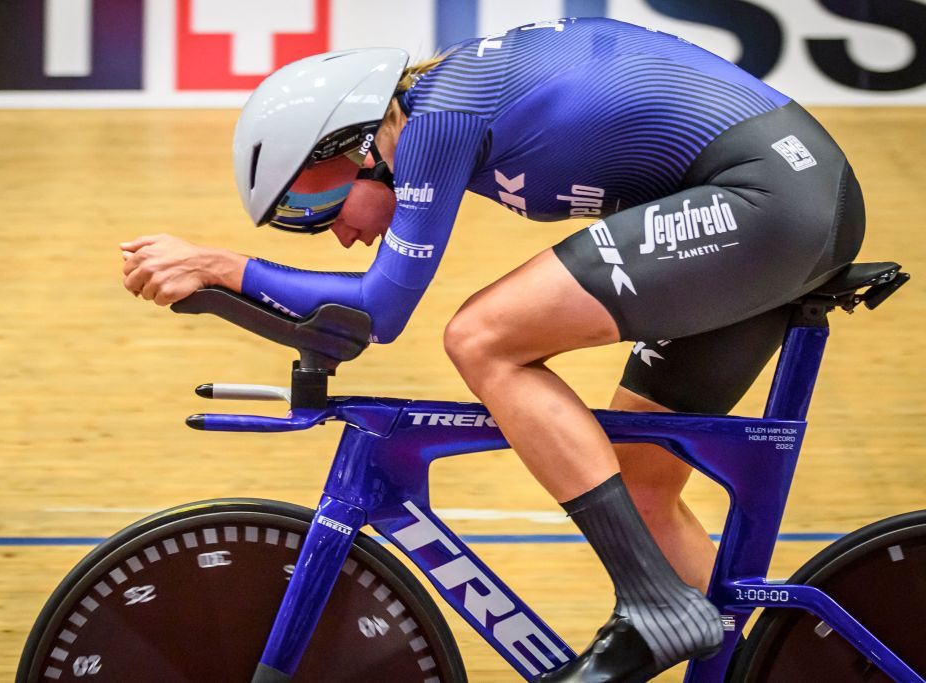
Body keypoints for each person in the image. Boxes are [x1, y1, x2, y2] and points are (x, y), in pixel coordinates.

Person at [121, 17, 864, 681]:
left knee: (481, 337)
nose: (334, 233)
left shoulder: (439, 115)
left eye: (314, 207)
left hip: (769, 197)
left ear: (354, 144)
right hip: (779, 199)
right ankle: (790, 667)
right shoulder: (451, 104)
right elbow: (355, 316)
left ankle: (652, 602)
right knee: (642, 483)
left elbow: (379, 309)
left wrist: (221, 268)